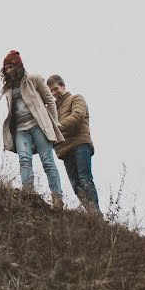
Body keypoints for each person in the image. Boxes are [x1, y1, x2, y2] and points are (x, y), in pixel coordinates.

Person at [0, 50, 65, 209]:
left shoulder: (34, 79)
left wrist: (53, 123)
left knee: (47, 161)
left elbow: (50, 100)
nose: (8, 71)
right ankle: (29, 196)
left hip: (38, 127)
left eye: (10, 67)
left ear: (18, 65)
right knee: (24, 161)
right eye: (6, 68)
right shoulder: (7, 88)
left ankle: (57, 199)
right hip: (20, 131)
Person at [47, 74, 101, 215]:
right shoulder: (53, 110)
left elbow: (78, 115)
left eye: (55, 89)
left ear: (63, 86)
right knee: (76, 186)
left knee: (85, 179)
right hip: (65, 151)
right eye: (51, 91)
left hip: (80, 144)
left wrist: (57, 126)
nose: (54, 93)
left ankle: (95, 213)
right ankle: (90, 213)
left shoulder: (76, 98)